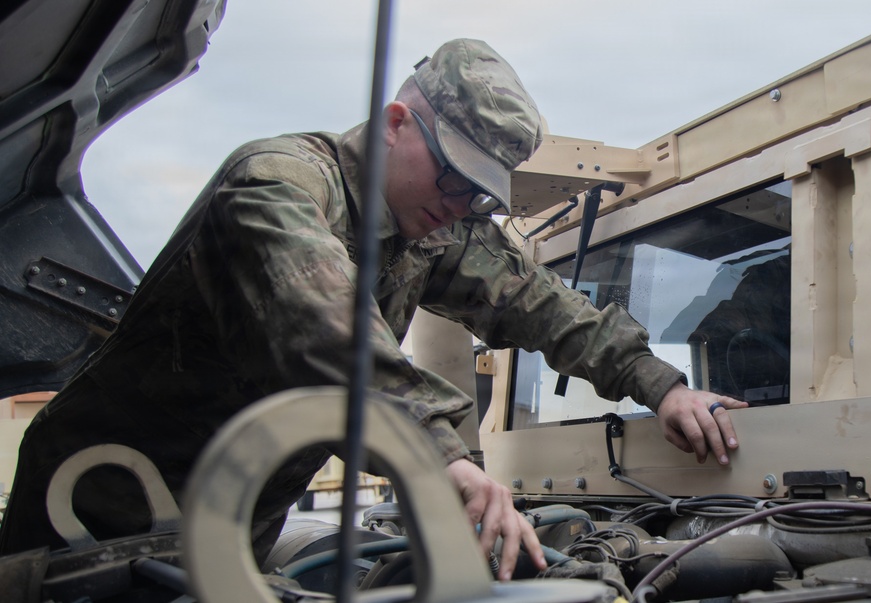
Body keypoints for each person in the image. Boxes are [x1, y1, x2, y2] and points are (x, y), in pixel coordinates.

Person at [0, 39, 746, 580]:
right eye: (454, 177)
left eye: (480, 195)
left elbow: (539, 302)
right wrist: (440, 455)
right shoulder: (276, 185)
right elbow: (323, 325)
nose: (461, 205)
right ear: (395, 122)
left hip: (231, 527)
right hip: (97, 515)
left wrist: (660, 384)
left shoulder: (433, 225)